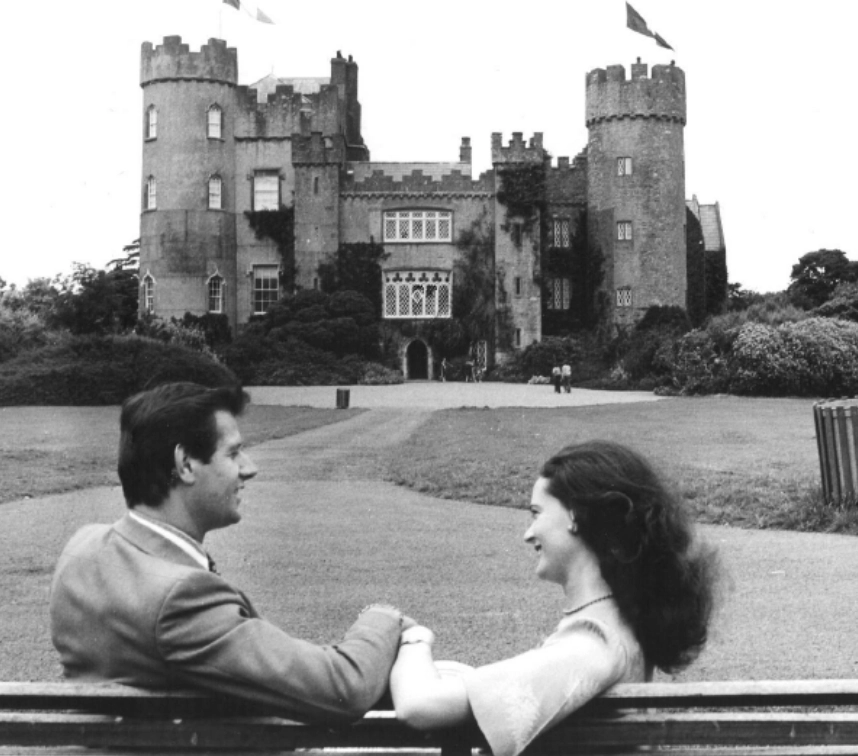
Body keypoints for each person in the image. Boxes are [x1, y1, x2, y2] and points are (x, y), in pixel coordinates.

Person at [50, 382, 410, 724]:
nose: (250, 468)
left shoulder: (83, 547)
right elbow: (343, 688)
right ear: (186, 464)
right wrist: (381, 617)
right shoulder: (181, 598)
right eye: (234, 453)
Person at [390, 440, 718, 756]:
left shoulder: (594, 644)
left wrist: (414, 639)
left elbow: (419, 705)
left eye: (536, 513)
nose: (528, 533)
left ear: (575, 516)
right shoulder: (617, 622)